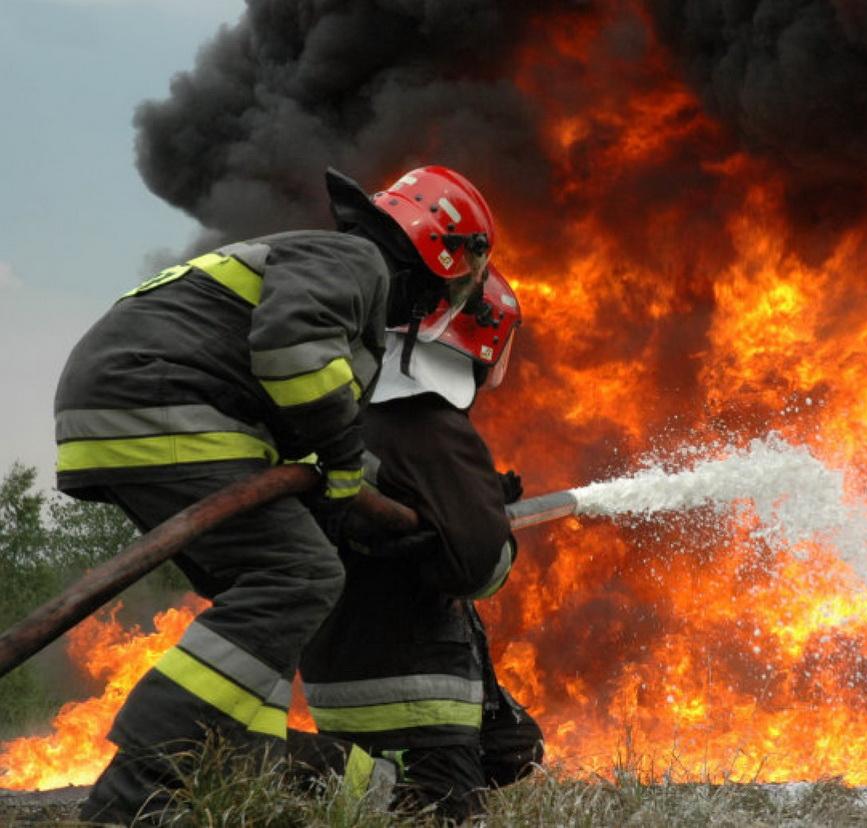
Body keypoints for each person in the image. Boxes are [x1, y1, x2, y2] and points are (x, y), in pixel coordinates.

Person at [54, 164, 498, 823]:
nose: (449, 296)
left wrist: (375, 501)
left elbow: (302, 432)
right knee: (298, 574)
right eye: (462, 278)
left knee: (263, 602)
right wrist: (348, 466)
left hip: (131, 406)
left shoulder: (337, 275)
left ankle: (230, 768)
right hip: (163, 399)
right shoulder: (356, 261)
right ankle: (140, 784)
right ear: (439, 250)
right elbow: (293, 354)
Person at [297, 263, 543, 820]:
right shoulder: (430, 424)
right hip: (413, 691)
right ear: (482, 342)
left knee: (515, 749)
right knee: (445, 814)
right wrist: (490, 525)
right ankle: (359, 785)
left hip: (338, 676)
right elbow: (482, 568)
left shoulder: (350, 415)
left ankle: (369, 789)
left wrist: (470, 502)